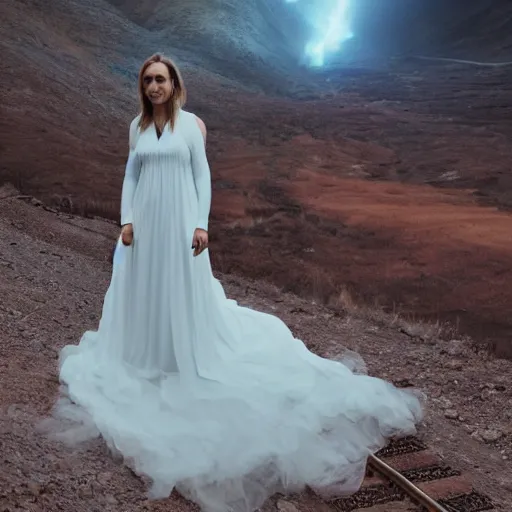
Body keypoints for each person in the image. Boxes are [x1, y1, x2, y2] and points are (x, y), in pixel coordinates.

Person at [54, 53, 424, 512]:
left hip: (180, 224)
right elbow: (132, 173)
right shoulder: (137, 127)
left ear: (174, 84)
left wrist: (201, 224)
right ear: (142, 86)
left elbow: (201, 175)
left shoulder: (193, 126)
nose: (154, 87)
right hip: (146, 224)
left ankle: (186, 349)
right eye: (148, 80)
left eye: (161, 80)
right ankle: (150, 350)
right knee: (144, 289)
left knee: (183, 288)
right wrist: (127, 220)